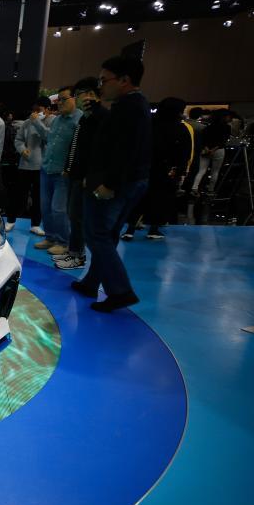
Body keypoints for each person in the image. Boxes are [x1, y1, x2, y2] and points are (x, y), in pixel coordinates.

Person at [73, 55, 152, 313]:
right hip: (130, 181)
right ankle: (92, 282)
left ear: (124, 80)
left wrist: (110, 184)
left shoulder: (129, 108)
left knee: (96, 234)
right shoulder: (133, 105)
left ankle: (120, 291)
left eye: (104, 80)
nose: (101, 86)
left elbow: (123, 151)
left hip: (115, 184)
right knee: (106, 235)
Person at [56, 77, 109, 271]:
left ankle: (78, 256)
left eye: (78, 95)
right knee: (74, 215)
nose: (77, 99)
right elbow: (76, 147)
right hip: (76, 174)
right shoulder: (85, 118)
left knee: (79, 217)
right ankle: (73, 251)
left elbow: (100, 151)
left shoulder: (100, 117)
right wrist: (69, 167)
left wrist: (92, 176)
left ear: (91, 94)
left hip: (87, 178)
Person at [122, 97, 190, 240]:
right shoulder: (180, 128)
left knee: (138, 198)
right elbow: (184, 152)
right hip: (166, 170)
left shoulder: (149, 124)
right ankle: (153, 229)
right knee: (160, 199)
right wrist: (180, 170)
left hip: (144, 167)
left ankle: (130, 229)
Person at [34, 86, 82, 256]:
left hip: (63, 173)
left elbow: (79, 149)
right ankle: (51, 237)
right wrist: (37, 123)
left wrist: (71, 169)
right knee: (45, 207)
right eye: (58, 100)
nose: (60, 103)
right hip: (47, 168)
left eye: (63, 99)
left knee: (59, 209)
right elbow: (48, 137)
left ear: (74, 99)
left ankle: (63, 241)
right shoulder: (57, 120)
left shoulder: (80, 120)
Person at [11, 98, 48, 234]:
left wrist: (37, 122)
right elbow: (18, 139)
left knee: (38, 196)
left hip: (42, 166)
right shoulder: (27, 123)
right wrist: (22, 149)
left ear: (47, 110)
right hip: (25, 164)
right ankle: (11, 221)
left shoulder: (51, 121)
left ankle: (35, 224)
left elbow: (47, 136)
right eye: (34, 110)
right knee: (18, 194)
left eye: (39, 110)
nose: (35, 113)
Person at [190, 109, 231, 197]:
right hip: (218, 151)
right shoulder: (227, 127)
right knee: (215, 171)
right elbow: (223, 141)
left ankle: (194, 188)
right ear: (224, 117)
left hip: (205, 150)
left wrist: (207, 149)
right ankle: (210, 190)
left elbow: (203, 139)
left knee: (201, 170)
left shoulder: (208, 127)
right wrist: (213, 150)